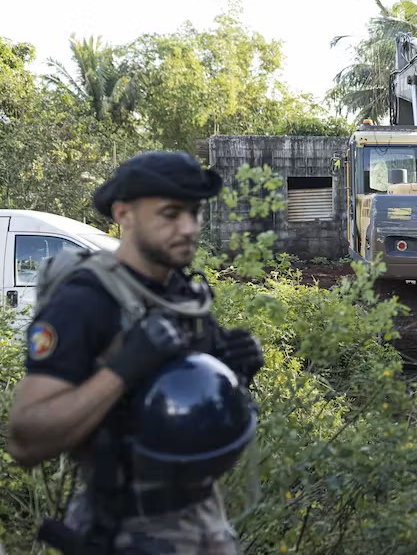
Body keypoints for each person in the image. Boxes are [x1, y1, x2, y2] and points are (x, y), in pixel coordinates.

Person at [6, 151, 264, 554]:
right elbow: (26, 441)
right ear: (124, 214)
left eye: (194, 213)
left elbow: (182, 411)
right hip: (121, 530)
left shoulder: (183, 294)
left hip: (203, 520)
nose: (189, 227)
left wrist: (231, 374)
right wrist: (122, 370)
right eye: (170, 213)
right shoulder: (86, 302)